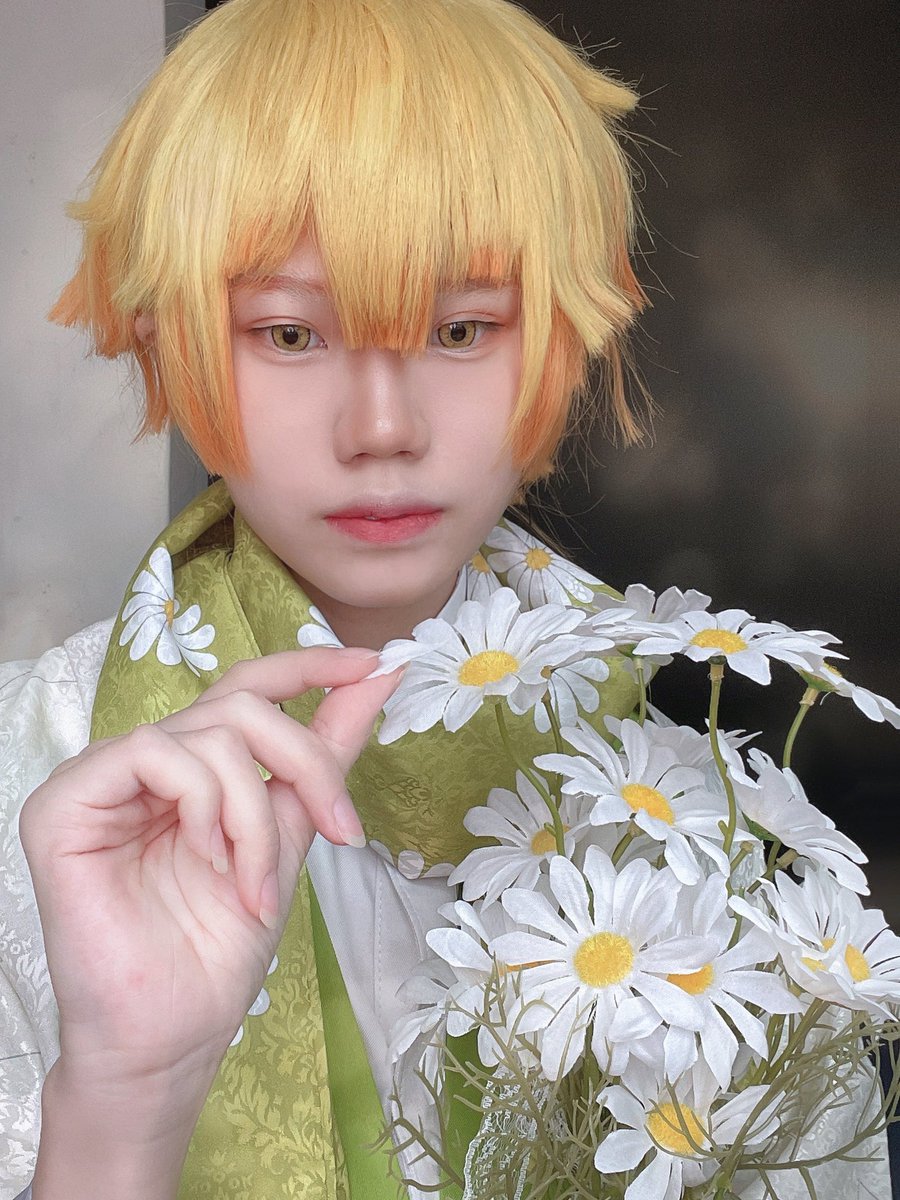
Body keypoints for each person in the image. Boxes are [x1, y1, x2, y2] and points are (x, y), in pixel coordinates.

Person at [0, 2, 892, 1199]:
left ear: (565, 333)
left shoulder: (700, 815)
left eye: (462, 327)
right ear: (173, 343)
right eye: (289, 334)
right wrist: (123, 1105)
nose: (383, 429)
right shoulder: (34, 778)